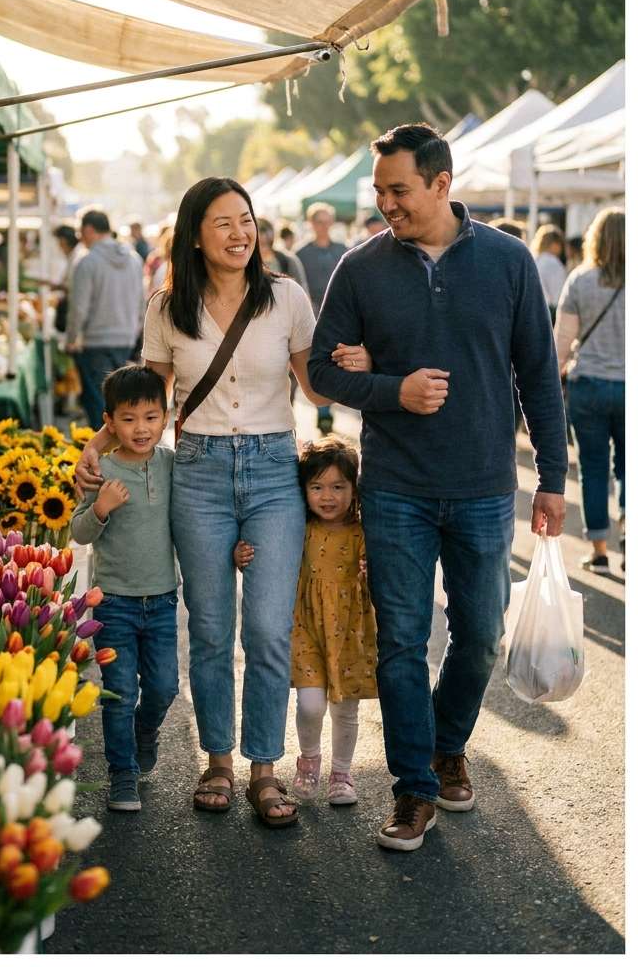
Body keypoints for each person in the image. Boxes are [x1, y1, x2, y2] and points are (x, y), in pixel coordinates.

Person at [76, 177, 367, 827]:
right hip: (200, 473)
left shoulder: (287, 297)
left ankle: (265, 769)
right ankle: (217, 760)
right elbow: (150, 395)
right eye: (223, 223)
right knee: (210, 630)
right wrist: (96, 445)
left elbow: (316, 390)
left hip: (271, 472)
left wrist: (362, 362)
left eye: (246, 220)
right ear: (195, 236)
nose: (240, 234)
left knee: (265, 629)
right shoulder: (167, 306)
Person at [308, 123, 568, 852]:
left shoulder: (509, 262)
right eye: (380, 190)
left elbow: (540, 377)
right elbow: (322, 373)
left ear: (441, 183)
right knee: (400, 640)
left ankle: (446, 744)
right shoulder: (359, 270)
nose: (386, 203)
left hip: (486, 485)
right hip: (395, 486)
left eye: (399, 189)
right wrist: (393, 390)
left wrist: (553, 479)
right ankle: (414, 787)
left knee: (481, 634)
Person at [234, 435, 377, 806]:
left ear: (354, 488)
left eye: (338, 487)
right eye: (317, 487)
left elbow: (379, 575)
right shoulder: (299, 526)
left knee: (346, 708)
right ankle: (309, 759)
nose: (327, 496)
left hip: (349, 631)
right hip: (308, 628)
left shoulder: (364, 532)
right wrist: (242, 552)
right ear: (303, 489)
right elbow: (270, 556)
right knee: (311, 703)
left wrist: (371, 568)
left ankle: (342, 773)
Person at [70, 365, 179, 812]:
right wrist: (100, 507)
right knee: (118, 693)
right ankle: (122, 774)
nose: (141, 428)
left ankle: (145, 732)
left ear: (166, 418)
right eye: (129, 419)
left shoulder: (172, 464)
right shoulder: (101, 470)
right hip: (112, 603)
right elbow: (79, 532)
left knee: (164, 687)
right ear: (109, 422)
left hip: (163, 602)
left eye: (151, 417)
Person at [554, 207, 625, 574]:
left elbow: (562, 343)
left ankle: (599, 550)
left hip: (589, 387)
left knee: (593, 468)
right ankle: (629, 529)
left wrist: (552, 378)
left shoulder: (580, 280)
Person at [65, 208, 145, 428]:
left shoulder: (87, 262)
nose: (79, 238)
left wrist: (71, 338)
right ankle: (122, 453)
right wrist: (135, 331)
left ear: (89, 230)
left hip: (96, 341)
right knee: (121, 402)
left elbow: (78, 307)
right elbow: (142, 302)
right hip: (126, 339)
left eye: (80, 232)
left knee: (99, 403)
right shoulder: (134, 259)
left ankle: (103, 455)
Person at [295, 203, 347, 434]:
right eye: (319, 221)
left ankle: (327, 410)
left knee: (337, 364)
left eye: (327, 221)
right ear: (311, 224)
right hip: (311, 317)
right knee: (313, 364)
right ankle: (323, 412)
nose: (323, 226)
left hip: (341, 317)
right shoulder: (301, 254)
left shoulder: (342, 250)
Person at [256, 216, 310, 295]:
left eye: (265, 243)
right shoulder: (246, 263)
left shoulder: (288, 260)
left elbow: (302, 291)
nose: (262, 238)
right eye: (258, 243)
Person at [531, 223, 568, 321]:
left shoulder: (532, 259)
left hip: (531, 311)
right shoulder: (554, 263)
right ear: (555, 244)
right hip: (549, 314)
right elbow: (559, 295)